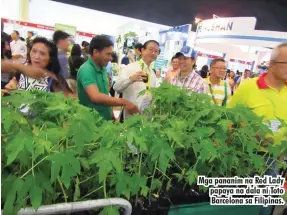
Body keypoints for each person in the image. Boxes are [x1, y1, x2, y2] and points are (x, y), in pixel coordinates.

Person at [228, 43, 287, 215]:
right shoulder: (248, 87)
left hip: (272, 160)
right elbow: (229, 119)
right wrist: (249, 133)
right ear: (271, 64)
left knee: (264, 208)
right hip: (243, 158)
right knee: (239, 207)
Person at [77, 35, 139, 121]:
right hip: (91, 123)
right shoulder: (86, 69)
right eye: (108, 54)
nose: (111, 58)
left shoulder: (102, 68)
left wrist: (111, 115)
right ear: (95, 52)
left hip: (104, 121)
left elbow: (105, 94)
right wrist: (124, 102)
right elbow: (95, 96)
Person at [5, 37, 71, 96]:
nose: (36, 56)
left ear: (51, 58)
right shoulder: (21, 72)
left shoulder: (56, 80)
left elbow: (67, 102)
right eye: (34, 51)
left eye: (42, 53)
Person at [113, 40, 159, 119]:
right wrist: (130, 79)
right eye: (150, 49)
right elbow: (116, 87)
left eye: (156, 51)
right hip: (130, 115)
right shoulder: (131, 67)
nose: (153, 53)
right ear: (142, 50)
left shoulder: (152, 73)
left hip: (145, 117)